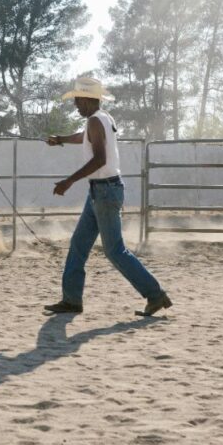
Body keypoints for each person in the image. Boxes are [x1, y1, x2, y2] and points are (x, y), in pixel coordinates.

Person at [43, 77, 172, 316]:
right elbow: (83, 137)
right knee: (79, 245)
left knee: (114, 250)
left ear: (90, 99)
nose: (76, 105)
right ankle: (71, 300)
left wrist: (69, 181)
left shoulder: (94, 120)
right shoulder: (103, 118)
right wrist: (60, 139)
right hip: (101, 191)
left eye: (78, 100)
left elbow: (100, 159)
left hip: (104, 191)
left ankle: (155, 294)